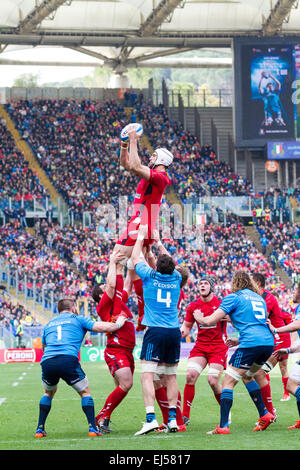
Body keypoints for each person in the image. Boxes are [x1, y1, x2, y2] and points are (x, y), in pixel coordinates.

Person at [193, 270, 274, 435]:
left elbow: (209, 321)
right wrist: (239, 340)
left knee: (228, 382)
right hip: (266, 344)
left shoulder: (234, 297)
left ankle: (223, 426)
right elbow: (256, 323)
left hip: (251, 345)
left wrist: (199, 317)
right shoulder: (259, 298)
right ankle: (265, 414)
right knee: (247, 376)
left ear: (235, 283)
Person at [35, 297, 127, 438]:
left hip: (47, 361)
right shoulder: (78, 319)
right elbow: (103, 327)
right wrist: (118, 324)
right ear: (73, 308)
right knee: (85, 392)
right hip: (67, 359)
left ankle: (39, 430)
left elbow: (43, 346)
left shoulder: (49, 324)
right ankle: (92, 428)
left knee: (48, 393)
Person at [111, 125, 173, 320]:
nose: (151, 158)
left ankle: (116, 310)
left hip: (140, 223)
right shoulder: (153, 174)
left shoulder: (161, 177)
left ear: (162, 160)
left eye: (154, 156)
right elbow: (128, 165)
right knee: (132, 269)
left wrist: (134, 140)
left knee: (116, 262)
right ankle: (140, 315)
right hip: (142, 223)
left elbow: (136, 166)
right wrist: (124, 144)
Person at [131, 224, 183, 435]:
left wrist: (141, 236)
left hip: (155, 330)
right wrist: (159, 242)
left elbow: (136, 258)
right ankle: (172, 419)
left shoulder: (150, 277)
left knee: (147, 375)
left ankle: (150, 418)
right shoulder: (177, 278)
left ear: (156, 267)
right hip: (173, 331)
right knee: (170, 376)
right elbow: (171, 262)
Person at [91, 253, 136, 433]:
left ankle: (105, 418)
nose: (108, 285)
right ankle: (100, 416)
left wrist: (128, 268)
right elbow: (111, 284)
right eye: (104, 286)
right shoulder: (103, 305)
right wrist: (112, 261)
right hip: (116, 350)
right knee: (126, 383)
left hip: (127, 351)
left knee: (123, 386)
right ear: (101, 294)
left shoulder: (118, 301)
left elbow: (127, 285)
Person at [181, 275, 228, 425]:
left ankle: (225, 413)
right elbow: (187, 327)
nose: (202, 286)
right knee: (190, 375)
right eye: (200, 284)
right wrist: (180, 332)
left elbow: (233, 319)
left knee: (213, 381)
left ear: (211, 287)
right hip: (200, 346)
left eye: (206, 283)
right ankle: (185, 416)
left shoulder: (222, 305)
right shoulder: (193, 307)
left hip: (218, 347)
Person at [251, 273, 291, 415]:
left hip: (280, 340)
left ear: (258, 282)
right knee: (257, 373)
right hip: (270, 340)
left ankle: (270, 412)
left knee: (260, 372)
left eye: (251, 280)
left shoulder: (268, 298)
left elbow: (260, 318)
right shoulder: (256, 298)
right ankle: (269, 410)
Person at [268, 282, 300, 429]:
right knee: (292, 383)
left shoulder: (295, 311)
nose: (293, 292)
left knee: (291, 384)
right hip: (284, 348)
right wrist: (288, 350)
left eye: (296, 289)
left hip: (281, 341)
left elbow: (296, 325)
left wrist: (276, 330)